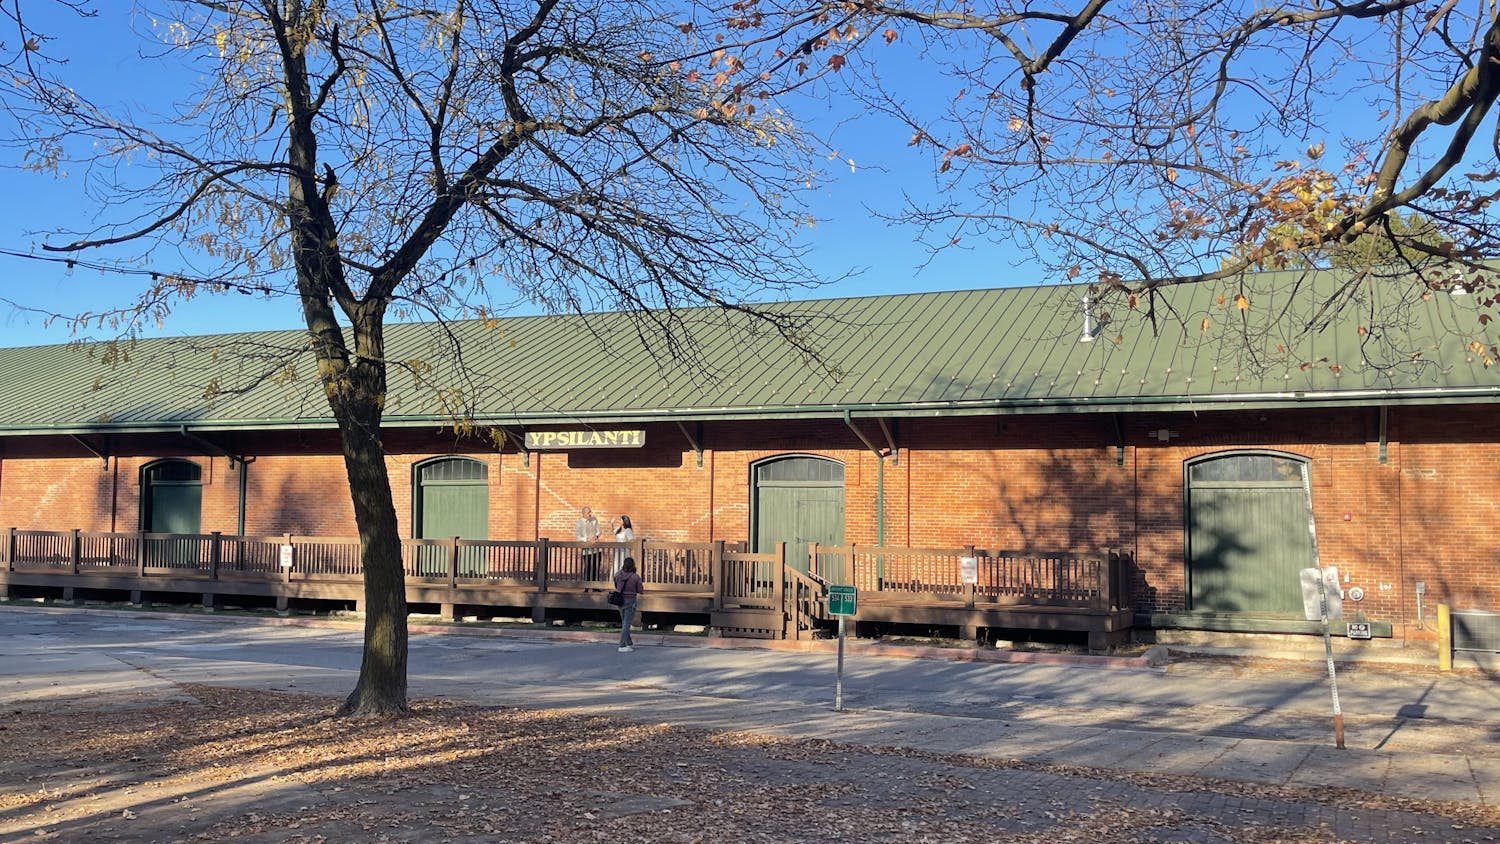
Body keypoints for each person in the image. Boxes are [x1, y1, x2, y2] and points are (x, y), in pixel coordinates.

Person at [613, 557, 644, 652]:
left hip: (620, 601)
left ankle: (628, 642)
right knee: (626, 623)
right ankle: (622, 645)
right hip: (630, 600)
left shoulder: (618, 575)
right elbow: (640, 590)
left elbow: (616, 585)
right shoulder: (635, 577)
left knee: (624, 622)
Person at [576, 505, 601, 580]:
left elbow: (599, 531)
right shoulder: (579, 523)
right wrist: (587, 539)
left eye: (590, 512)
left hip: (596, 548)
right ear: (583, 513)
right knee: (587, 567)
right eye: (588, 512)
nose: (590, 514)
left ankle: (595, 586)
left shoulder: (594, 520)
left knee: (596, 566)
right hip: (586, 549)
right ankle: (586, 585)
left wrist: (596, 537)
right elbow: (578, 537)